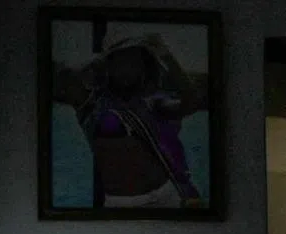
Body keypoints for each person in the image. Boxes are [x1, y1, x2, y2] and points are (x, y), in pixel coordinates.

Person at [53, 34, 203, 208]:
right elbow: (62, 79)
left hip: (165, 195)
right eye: (120, 62)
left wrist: (165, 55)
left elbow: (191, 101)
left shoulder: (153, 102)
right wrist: (96, 62)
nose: (127, 69)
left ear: (143, 66)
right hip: (121, 203)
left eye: (133, 62)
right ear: (108, 66)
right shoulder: (91, 104)